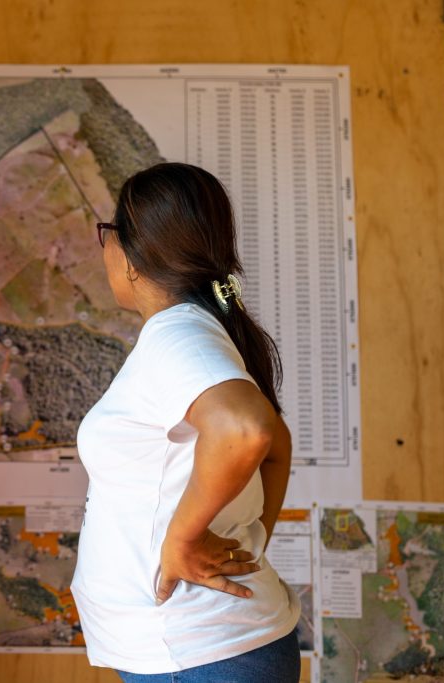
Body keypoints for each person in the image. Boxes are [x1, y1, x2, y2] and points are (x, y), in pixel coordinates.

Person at [71, 163, 300, 682]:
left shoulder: (177, 334)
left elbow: (246, 429)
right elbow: (276, 444)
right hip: (203, 649)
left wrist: (183, 538)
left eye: (108, 233)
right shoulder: (198, 329)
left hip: (199, 653)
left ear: (133, 256)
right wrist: (247, 539)